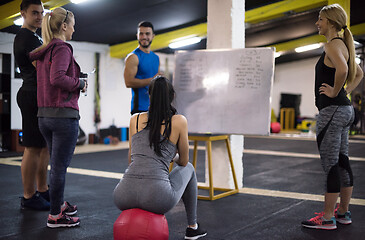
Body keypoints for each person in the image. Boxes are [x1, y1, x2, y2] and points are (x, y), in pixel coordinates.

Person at [113, 76, 207, 239]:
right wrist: (172, 157)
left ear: (149, 96)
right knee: (189, 168)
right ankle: (192, 227)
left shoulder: (134, 120)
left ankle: (192, 227)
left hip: (122, 195)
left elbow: (131, 159)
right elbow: (183, 161)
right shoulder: (179, 121)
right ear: (171, 97)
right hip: (157, 198)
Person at [302, 4, 363, 230]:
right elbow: (360, 73)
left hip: (333, 111)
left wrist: (336, 91)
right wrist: (345, 92)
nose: (317, 23)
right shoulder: (343, 45)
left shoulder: (331, 45)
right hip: (344, 111)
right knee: (342, 162)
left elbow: (345, 71)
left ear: (331, 22)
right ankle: (343, 213)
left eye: (320, 19)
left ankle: (327, 218)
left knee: (331, 166)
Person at [29, 7, 86, 228]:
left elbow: (53, 78)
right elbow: (58, 78)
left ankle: (58, 204)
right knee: (59, 168)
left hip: (45, 116)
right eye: (72, 24)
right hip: (62, 117)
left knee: (56, 166)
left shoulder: (45, 50)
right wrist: (80, 83)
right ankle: (55, 216)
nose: (74, 28)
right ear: (63, 26)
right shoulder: (62, 48)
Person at [13, 0, 50, 211]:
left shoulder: (36, 36)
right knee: (33, 147)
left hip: (40, 95)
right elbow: (44, 67)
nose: (39, 16)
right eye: (34, 13)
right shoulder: (26, 36)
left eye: (41, 13)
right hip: (31, 95)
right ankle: (28, 196)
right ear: (23, 13)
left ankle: (42, 190)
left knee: (43, 146)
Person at [124, 21, 160, 115]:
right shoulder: (133, 57)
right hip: (139, 109)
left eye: (147, 34)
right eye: (141, 34)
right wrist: (153, 80)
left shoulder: (156, 58)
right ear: (137, 35)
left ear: (153, 36)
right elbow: (128, 82)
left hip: (155, 107)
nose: (144, 37)